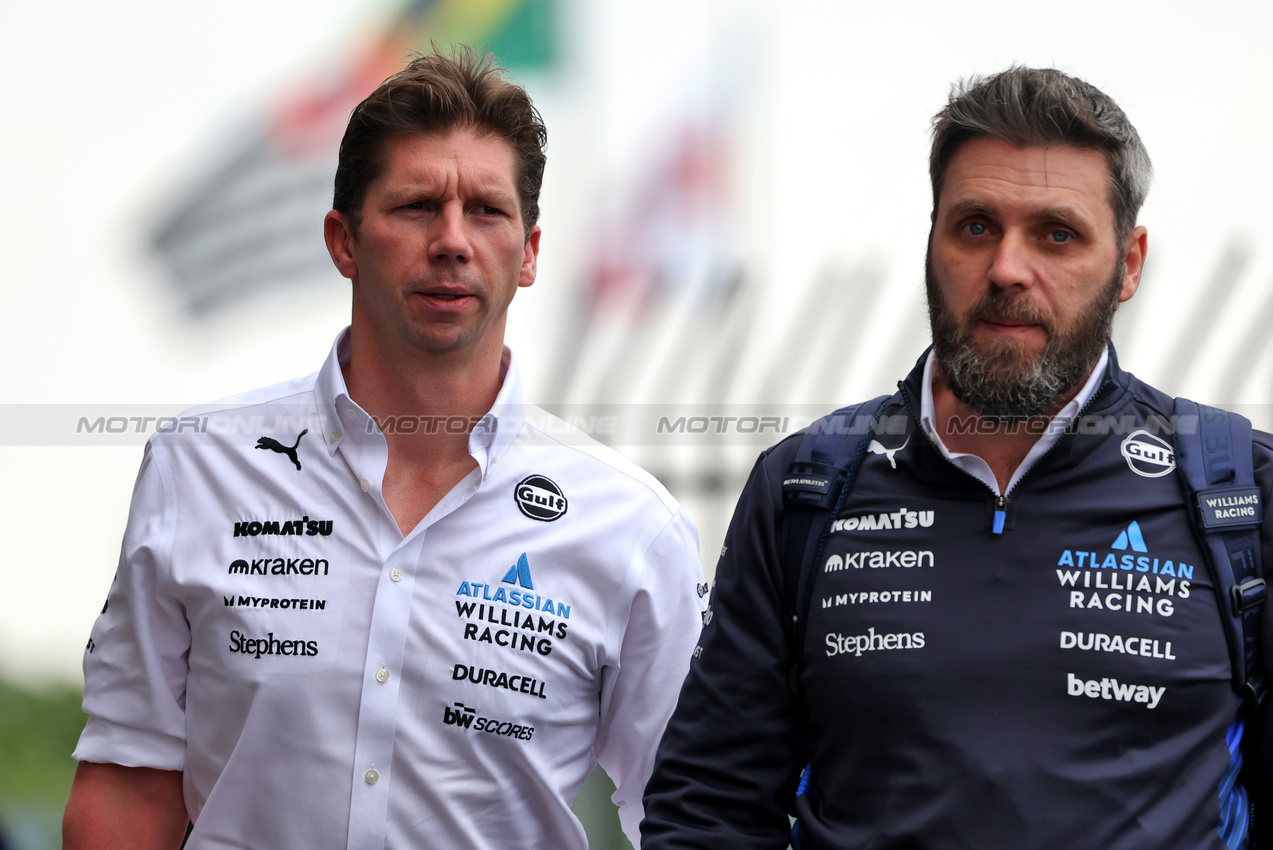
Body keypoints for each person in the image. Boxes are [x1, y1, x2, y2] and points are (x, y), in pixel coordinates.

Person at [62, 48, 706, 850]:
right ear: (342, 240)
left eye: (486, 210)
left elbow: (690, 814)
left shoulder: (633, 528)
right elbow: (126, 788)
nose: (451, 240)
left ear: (530, 252)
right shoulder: (197, 467)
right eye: (414, 206)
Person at [641, 67, 1273, 848]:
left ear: (1129, 263)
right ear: (932, 239)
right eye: (975, 226)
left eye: (1056, 233)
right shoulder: (806, 486)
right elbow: (708, 811)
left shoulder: (1239, 493)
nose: (1007, 268)